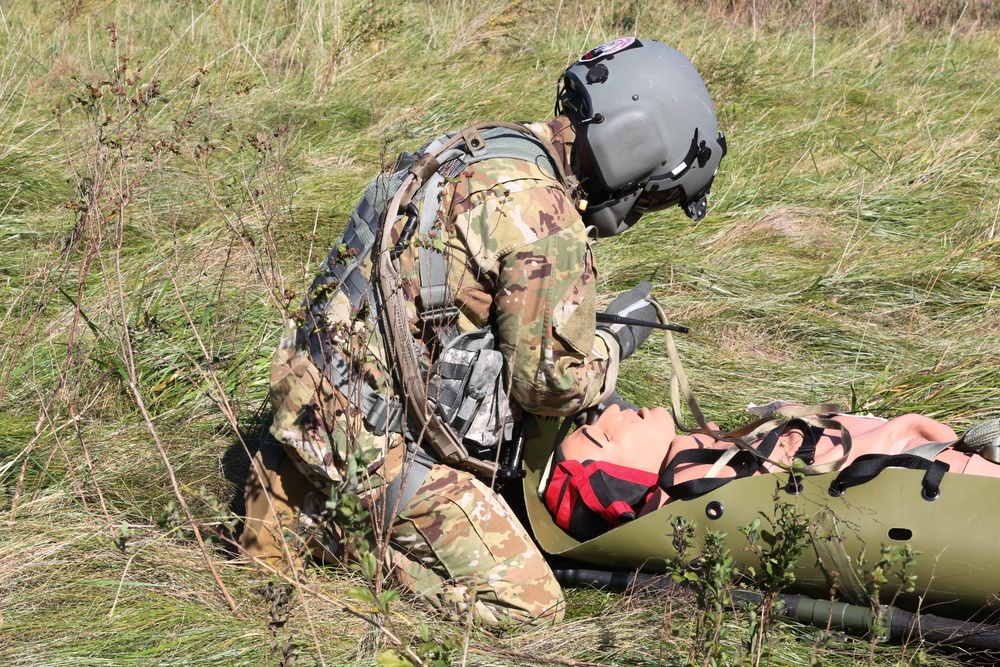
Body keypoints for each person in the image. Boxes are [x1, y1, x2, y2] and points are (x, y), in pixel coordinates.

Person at [240, 37, 727, 627]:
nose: (638, 211)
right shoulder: (547, 223)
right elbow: (548, 388)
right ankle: (336, 533)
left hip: (306, 388)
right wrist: (605, 348)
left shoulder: (476, 146)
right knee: (531, 605)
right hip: (372, 440)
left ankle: (293, 478)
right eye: (652, 196)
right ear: (636, 150)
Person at [544, 402, 1000, 540]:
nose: (614, 411)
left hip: (948, 454)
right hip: (952, 484)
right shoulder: (696, 489)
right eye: (603, 433)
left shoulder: (716, 455)